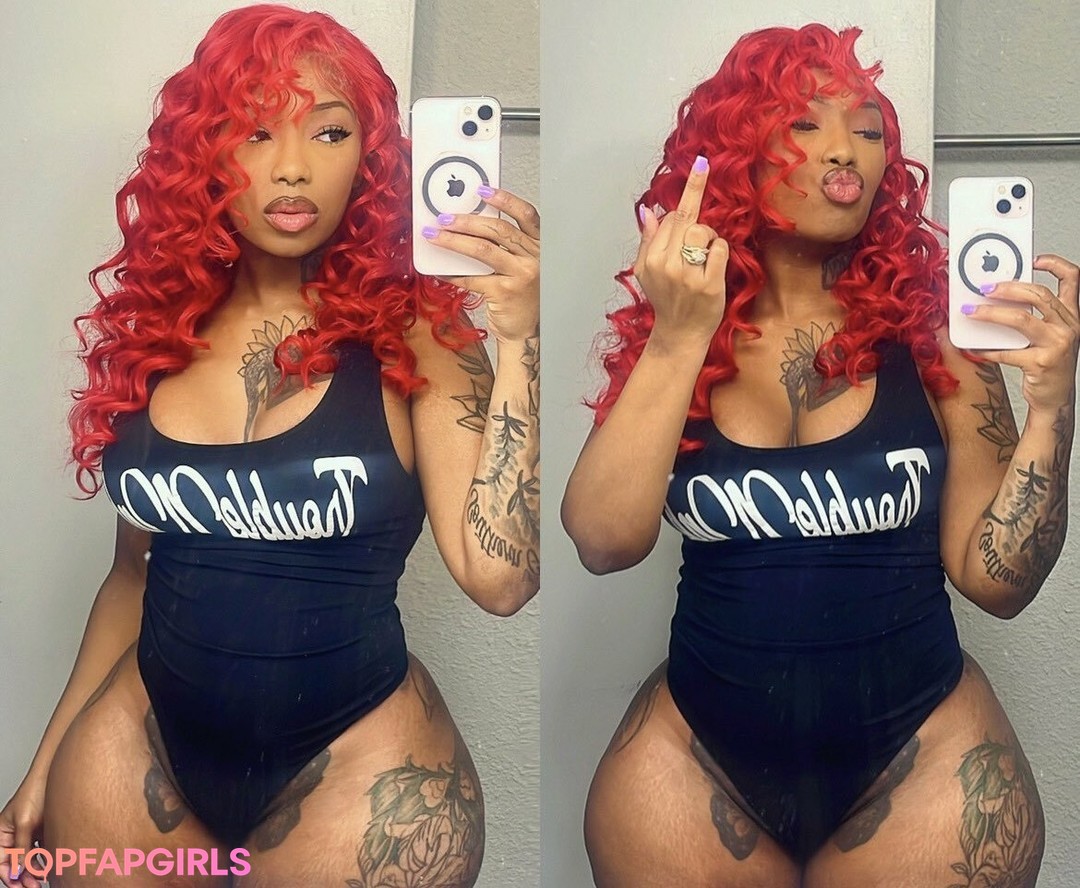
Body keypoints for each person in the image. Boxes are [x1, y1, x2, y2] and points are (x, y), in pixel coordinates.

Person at [0, 6, 538, 887]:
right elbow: (132, 577)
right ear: (205, 151)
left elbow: (501, 580)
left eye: (329, 132)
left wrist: (519, 342)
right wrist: (42, 766)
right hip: (137, 755)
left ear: (371, 156)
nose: (292, 167)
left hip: (357, 773)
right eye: (255, 130)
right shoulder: (161, 330)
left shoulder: (419, 335)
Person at [562, 23, 1075, 888]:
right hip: (695, 768)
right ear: (734, 152)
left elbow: (999, 581)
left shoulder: (933, 336)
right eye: (805, 123)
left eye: (868, 130)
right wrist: (680, 334)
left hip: (922, 762)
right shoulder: (679, 332)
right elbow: (603, 541)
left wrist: (1053, 412)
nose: (845, 150)